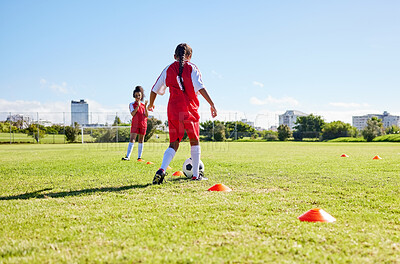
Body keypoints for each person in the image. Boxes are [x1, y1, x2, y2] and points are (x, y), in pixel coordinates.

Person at [148, 43, 217, 184]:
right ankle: (196, 175)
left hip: (173, 109)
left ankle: (161, 169)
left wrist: (151, 103)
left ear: (174, 56)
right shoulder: (192, 68)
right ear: (190, 56)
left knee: (173, 143)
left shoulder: (168, 69)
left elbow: (154, 89)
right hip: (188, 108)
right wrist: (212, 104)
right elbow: (201, 87)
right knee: (194, 140)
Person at [122, 86, 148, 161]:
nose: (138, 97)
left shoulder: (144, 105)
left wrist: (145, 106)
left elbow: (146, 115)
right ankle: (128, 156)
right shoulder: (131, 104)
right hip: (135, 124)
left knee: (141, 140)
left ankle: (139, 157)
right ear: (134, 96)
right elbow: (133, 113)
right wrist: (138, 106)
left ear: (141, 96)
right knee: (132, 139)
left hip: (143, 124)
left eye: (139, 95)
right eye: (136, 96)